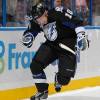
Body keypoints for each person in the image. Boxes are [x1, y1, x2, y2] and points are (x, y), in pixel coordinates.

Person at [22, 2, 88, 100]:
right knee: (35, 66)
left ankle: (59, 79)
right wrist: (29, 36)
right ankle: (42, 91)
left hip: (67, 45)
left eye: (39, 19)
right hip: (51, 45)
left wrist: (81, 35)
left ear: (45, 13)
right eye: (36, 19)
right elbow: (32, 30)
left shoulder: (59, 13)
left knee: (64, 80)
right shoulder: (37, 20)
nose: (38, 22)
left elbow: (77, 22)